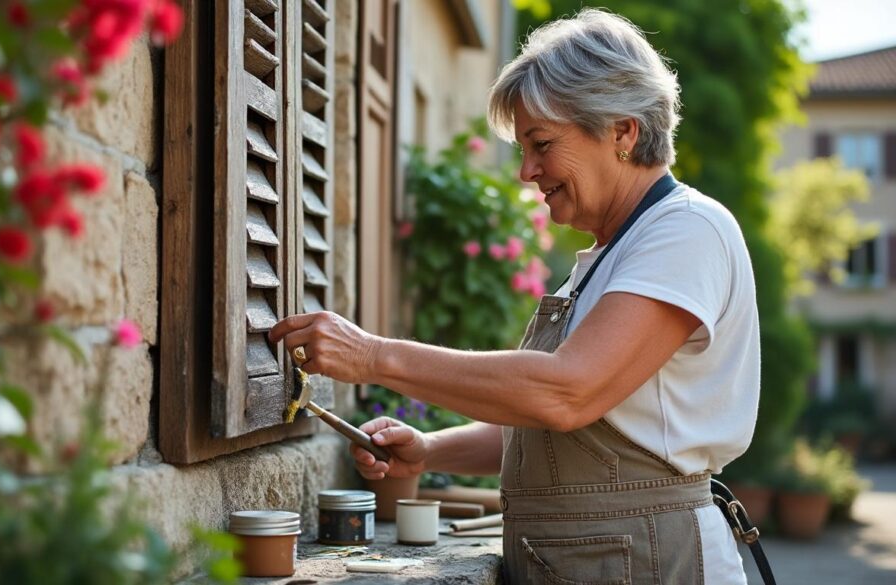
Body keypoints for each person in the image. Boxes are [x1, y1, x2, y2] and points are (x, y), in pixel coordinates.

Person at [269, 8, 758, 584]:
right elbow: (551, 428)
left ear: (622, 132)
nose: (527, 171)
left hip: (653, 562)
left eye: (542, 144)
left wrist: (371, 356)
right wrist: (430, 448)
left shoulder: (687, 229)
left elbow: (566, 392)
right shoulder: (611, 254)